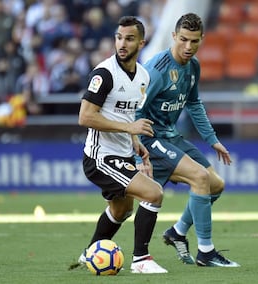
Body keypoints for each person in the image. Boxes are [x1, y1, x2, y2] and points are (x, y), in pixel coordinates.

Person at [136, 13, 240, 268]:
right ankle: (206, 252)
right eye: (183, 40)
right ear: (173, 36)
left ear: (201, 39)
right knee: (200, 178)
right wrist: (140, 151)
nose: (188, 47)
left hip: (172, 136)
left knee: (216, 184)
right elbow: (135, 111)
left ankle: (178, 232)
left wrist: (211, 139)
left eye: (194, 41)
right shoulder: (157, 70)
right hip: (153, 139)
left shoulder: (193, 66)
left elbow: (193, 103)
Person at [75, 16, 167, 274]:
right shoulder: (104, 74)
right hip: (100, 157)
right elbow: (85, 117)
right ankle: (141, 260)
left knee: (122, 208)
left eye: (128, 38)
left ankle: (90, 253)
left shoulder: (144, 77)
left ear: (141, 42)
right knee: (154, 193)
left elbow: (125, 115)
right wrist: (130, 129)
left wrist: (135, 141)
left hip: (124, 153)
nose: (122, 43)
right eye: (119, 37)